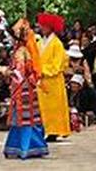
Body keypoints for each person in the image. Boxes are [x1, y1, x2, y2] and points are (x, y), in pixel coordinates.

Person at [3, 19, 48, 159]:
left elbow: (20, 72)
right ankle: (29, 146)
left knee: (23, 118)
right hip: (26, 87)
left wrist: (7, 72)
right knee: (27, 118)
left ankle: (24, 147)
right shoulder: (24, 50)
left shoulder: (21, 51)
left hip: (22, 87)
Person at [37, 13, 70, 142]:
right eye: (42, 26)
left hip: (53, 80)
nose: (42, 28)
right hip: (42, 80)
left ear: (52, 28)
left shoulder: (57, 44)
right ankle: (45, 129)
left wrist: (43, 70)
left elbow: (57, 65)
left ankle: (54, 131)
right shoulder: (39, 42)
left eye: (45, 26)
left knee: (54, 107)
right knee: (43, 107)